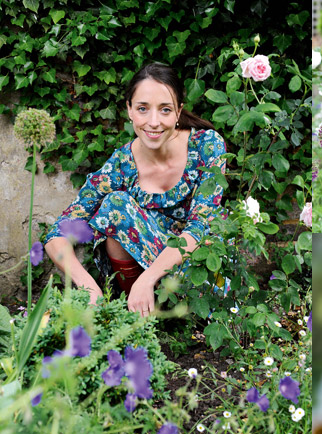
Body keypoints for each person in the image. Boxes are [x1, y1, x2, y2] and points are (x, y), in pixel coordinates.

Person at [43, 63, 226, 317]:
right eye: (142, 109)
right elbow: (57, 234)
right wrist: (89, 288)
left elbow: (200, 226)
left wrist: (149, 278)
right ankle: (138, 315)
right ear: (129, 110)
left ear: (178, 112)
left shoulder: (206, 146)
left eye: (165, 110)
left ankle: (178, 313)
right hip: (142, 289)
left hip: (198, 272)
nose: (153, 122)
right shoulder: (121, 165)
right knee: (116, 205)